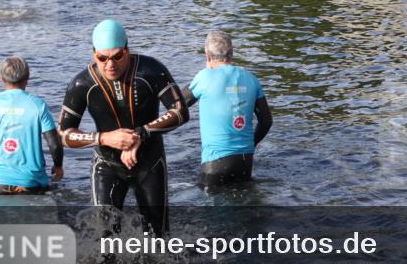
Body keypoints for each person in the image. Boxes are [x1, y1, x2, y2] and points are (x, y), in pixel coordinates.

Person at [58, 19, 188, 235]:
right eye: (102, 58)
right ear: (94, 55)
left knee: (158, 238)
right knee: (105, 238)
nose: (110, 64)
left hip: (149, 161)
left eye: (117, 56)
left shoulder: (150, 70)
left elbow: (181, 111)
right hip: (107, 163)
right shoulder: (82, 84)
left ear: (127, 51)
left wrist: (140, 134)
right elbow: (64, 134)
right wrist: (104, 138)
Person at [183, 30, 272, 188]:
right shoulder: (252, 79)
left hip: (215, 164)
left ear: (207, 55)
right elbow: (266, 122)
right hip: (245, 162)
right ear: (232, 54)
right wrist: (251, 143)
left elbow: (178, 103)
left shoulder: (204, 77)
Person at [0, 56, 63, 194]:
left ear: (2, 78)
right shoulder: (38, 105)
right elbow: (54, 144)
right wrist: (58, 166)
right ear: (28, 78)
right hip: (32, 183)